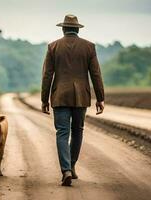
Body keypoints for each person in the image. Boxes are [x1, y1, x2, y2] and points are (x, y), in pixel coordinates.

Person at [41, 14, 105, 186]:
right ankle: (73, 166)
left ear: (63, 29)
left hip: (60, 95)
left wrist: (44, 99)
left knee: (62, 133)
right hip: (81, 96)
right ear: (77, 29)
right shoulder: (89, 47)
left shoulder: (53, 47)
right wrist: (100, 98)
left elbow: (47, 75)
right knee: (77, 131)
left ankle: (66, 170)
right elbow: (96, 74)